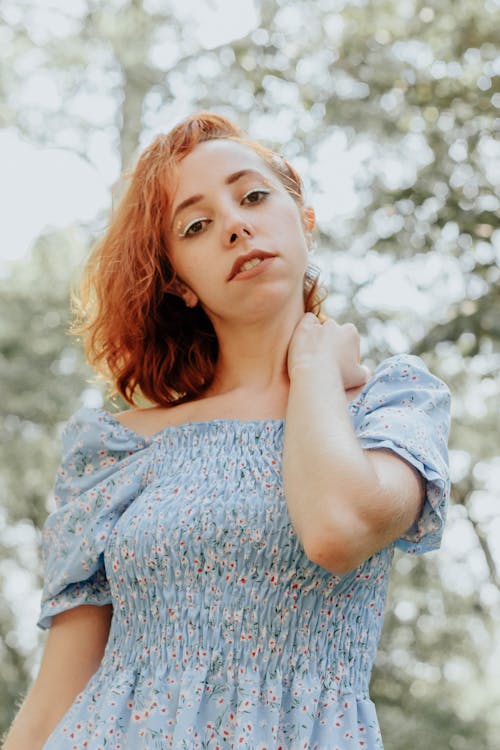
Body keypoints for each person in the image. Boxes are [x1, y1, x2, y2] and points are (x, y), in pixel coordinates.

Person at [3, 112, 451, 750]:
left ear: (305, 217)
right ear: (180, 282)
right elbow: (58, 691)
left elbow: (336, 530)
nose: (236, 226)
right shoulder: (117, 449)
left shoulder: (394, 405)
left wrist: (315, 364)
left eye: (254, 197)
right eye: (196, 225)